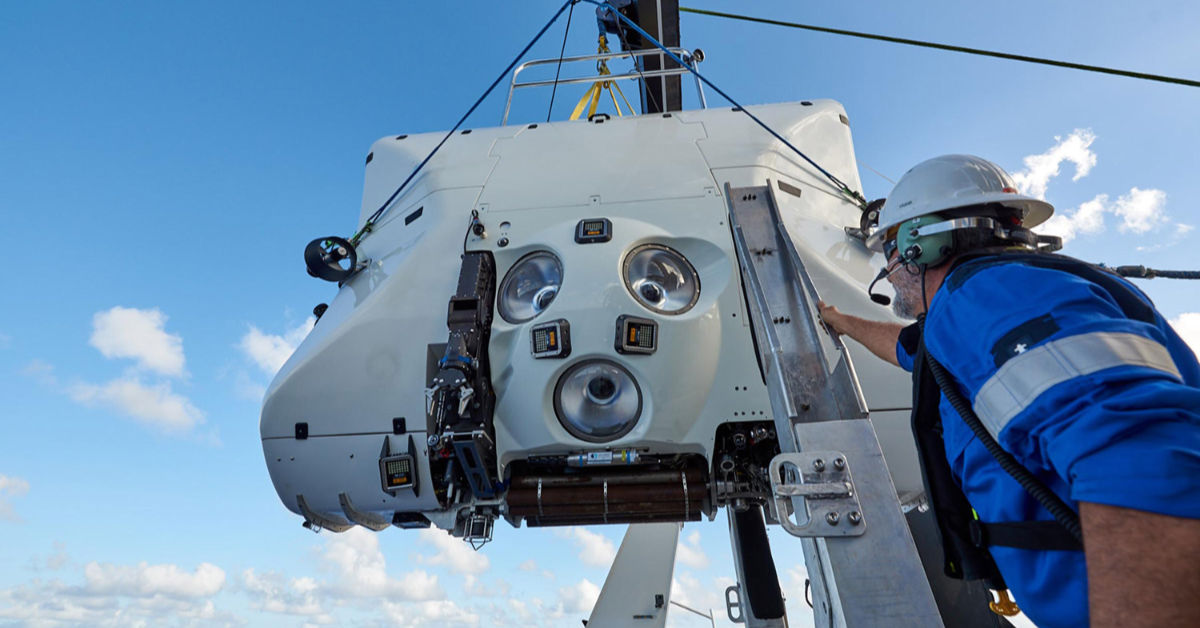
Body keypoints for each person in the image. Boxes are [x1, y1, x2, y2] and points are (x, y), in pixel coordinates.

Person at [818, 154, 1200, 628]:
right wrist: (840, 321)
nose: (889, 272)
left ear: (920, 244)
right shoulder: (984, 310)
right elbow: (909, 348)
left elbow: (1140, 458)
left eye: (890, 253)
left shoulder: (993, 297)